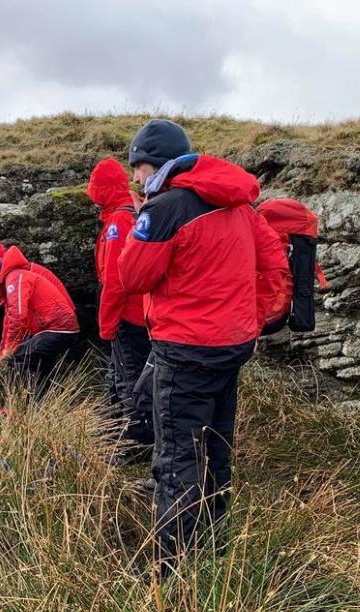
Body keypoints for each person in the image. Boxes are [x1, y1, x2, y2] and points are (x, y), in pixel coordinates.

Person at [118, 119, 289, 576]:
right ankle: (214, 550)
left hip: (185, 349)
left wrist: (142, 219)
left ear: (158, 164)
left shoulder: (167, 207)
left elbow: (131, 278)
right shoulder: (238, 204)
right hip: (232, 346)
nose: (136, 177)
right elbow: (271, 259)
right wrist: (254, 320)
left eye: (140, 167)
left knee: (176, 458)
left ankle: (170, 574)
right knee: (215, 448)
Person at [87, 157, 153, 445]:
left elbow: (115, 281)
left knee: (130, 382)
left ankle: (134, 443)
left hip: (130, 318)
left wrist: (107, 325)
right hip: (140, 315)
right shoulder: (130, 212)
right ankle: (112, 435)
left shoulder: (119, 220)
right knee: (120, 377)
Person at [0, 246, 79, 394]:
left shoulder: (14, 278)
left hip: (56, 328)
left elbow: (17, 317)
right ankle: (43, 402)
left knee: (19, 358)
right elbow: (11, 322)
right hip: (58, 328)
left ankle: (19, 401)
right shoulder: (14, 278)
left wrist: (8, 350)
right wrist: (5, 350)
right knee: (40, 370)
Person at [0, 237, 74, 310]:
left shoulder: (12, 272)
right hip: (62, 312)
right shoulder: (13, 266)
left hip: (58, 316)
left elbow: (17, 311)